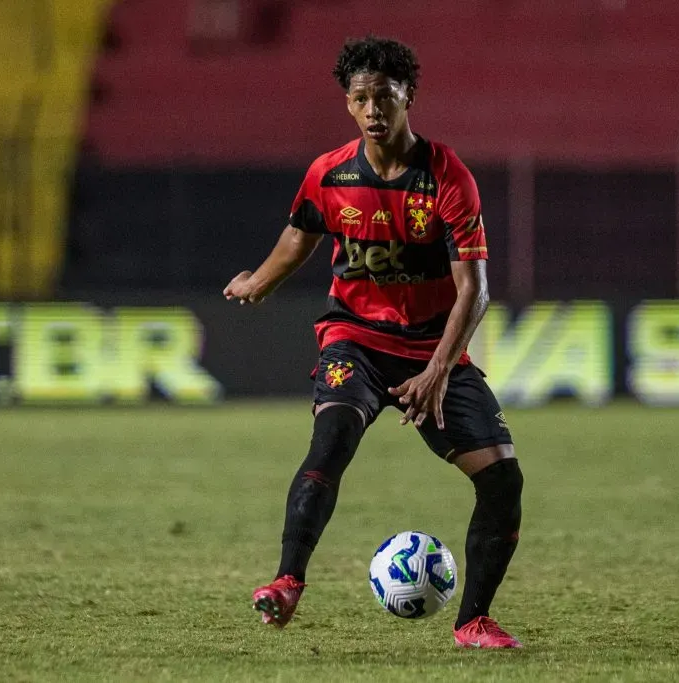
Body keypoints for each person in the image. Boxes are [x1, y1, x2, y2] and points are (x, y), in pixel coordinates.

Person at [223, 36, 523, 649]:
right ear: (348, 105)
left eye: (383, 97)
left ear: (408, 96)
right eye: (360, 99)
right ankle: (286, 581)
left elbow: (476, 290)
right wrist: (259, 279)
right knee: (331, 437)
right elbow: (300, 234)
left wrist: (439, 370)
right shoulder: (329, 174)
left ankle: (472, 623)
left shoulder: (446, 175)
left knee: (502, 481)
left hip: (432, 350)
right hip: (354, 341)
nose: (372, 110)